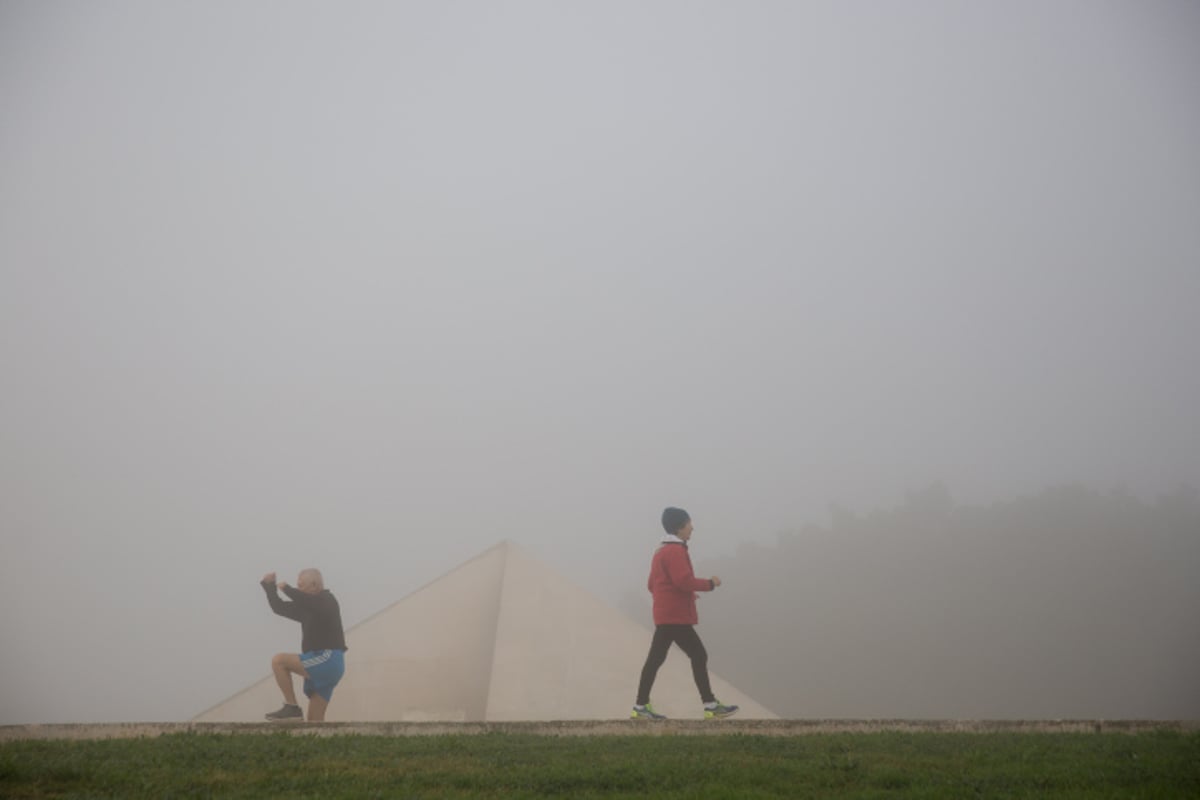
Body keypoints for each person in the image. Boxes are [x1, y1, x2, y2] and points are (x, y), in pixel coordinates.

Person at [632, 507, 739, 720]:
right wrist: (710, 583)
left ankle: (641, 707)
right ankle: (709, 705)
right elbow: (683, 581)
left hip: (665, 614)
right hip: (675, 617)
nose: (693, 528)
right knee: (698, 654)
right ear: (680, 527)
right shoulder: (675, 551)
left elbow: (652, 584)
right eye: (689, 523)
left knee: (656, 659)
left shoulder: (661, 550)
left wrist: (678, 597)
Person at [260, 568, 347, 722]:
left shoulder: (327, 600)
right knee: (314, 722)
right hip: (326, 663)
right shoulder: (306, 608)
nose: (298, 589)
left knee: (279, 661)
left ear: (314, 585)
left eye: (301, 585)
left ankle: (292, 707)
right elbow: (279, 607)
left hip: (327, 658)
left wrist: (287, 589)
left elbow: (308, 601)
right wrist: (270, 586)